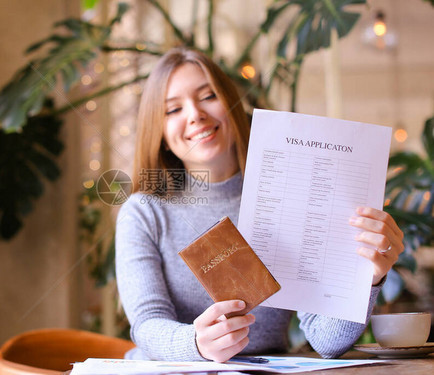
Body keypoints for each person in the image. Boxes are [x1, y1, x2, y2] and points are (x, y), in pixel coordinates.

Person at [115, 47, 404, 363]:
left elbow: (327, 341)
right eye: (173, 110)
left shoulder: (287, 198)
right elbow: (146, 323)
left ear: (232, 104)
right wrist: (196, 344)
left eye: (208, 96)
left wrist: (369, 276)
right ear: (159, 134)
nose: (195, 114)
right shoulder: (144, 212)